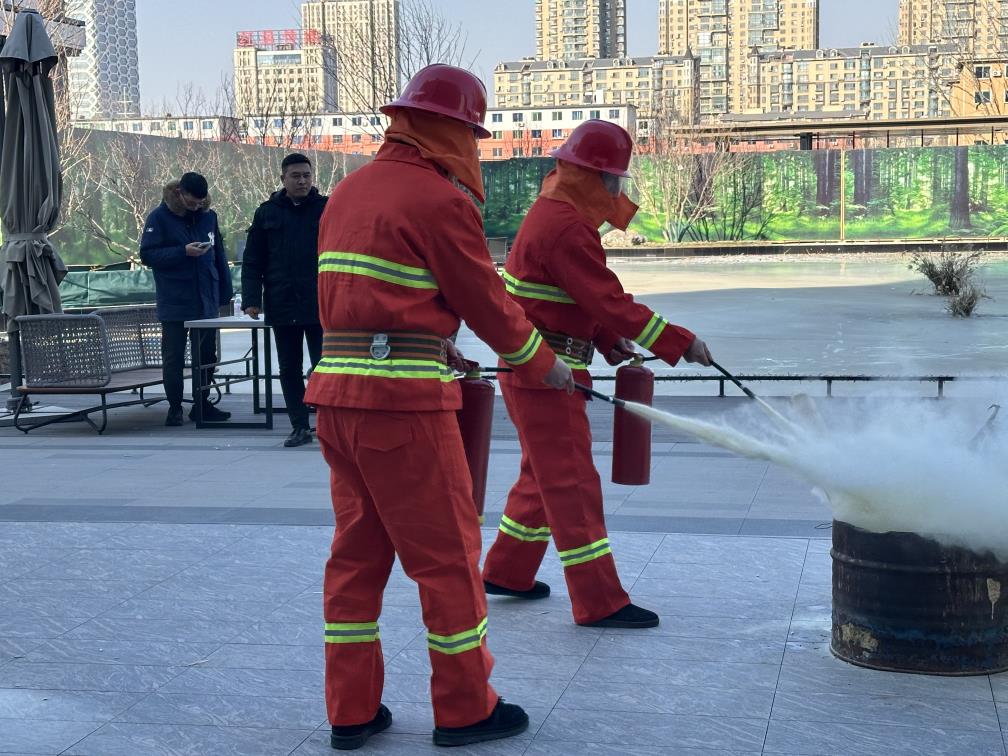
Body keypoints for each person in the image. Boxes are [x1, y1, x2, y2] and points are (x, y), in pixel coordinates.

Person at [303, 64, 574, 751]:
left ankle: (350, 710)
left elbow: (365, 299)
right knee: (447, 559)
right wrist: (544, 364)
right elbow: (489, 302)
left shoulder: (349, 191)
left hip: (335, 400)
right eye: (472, 136)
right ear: (451, 131)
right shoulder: (438, 199)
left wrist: (431, 340)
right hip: (402, 410)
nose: (473, 152)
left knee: (355, 559)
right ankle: (465, 708)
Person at [481, 120, 713, 629]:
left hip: (537, 366)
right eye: (614, 180)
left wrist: (607, 341)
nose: (617, 191)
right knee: (573, 483)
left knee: (542, 477)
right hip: (548, 372)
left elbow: (569, 296)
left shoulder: (553, 211)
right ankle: (599, 600)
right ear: (595, 177)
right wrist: (680, 342)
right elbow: (608, 298)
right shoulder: (567, 225)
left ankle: (507, 571)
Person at [241, 153, 328, 448]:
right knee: (289, 368)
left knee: (325, 366)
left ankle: (329, 424)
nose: (302, 181)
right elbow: (253, 260)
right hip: (282, 301)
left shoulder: (326, 209)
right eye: (296, 176)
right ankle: (299, 426)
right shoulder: (267, 213)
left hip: (319, 303)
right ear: (283, 179)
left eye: (306, 175)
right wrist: (251, 299)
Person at [140, 172, 233, 426]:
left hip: (206, 298)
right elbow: (147, 255)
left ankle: (202, 404)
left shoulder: (209, 216)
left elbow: (219, 254)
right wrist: (182, 252)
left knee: (207, 355)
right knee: (174, 357)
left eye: (201, 202)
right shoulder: (159, 217)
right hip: (175, 299)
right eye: (192, 202)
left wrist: (225, 292)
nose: (196, 206)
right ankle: (175, 407)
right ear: (180, 193)